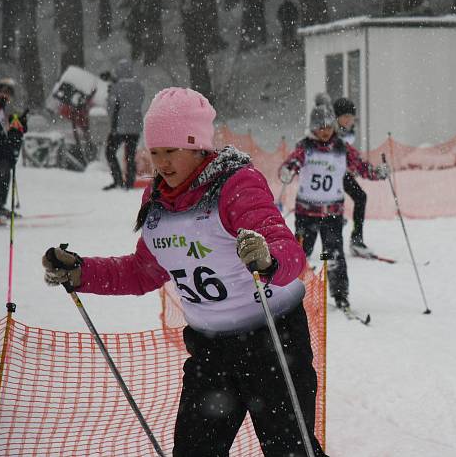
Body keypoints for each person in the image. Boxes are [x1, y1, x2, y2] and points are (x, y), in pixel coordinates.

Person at [41, 87, 328, 457]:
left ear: (198, 147)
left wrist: (267, 258)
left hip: (273, 342)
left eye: (171, 151)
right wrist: (81, 273)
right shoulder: (157, 199)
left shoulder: (235, 184)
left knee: (290, 450)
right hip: (211, 350)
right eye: (155, 152)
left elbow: (289, 251)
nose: (161, 163)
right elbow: (143, 271)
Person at [279, 104, 388, 309]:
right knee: (300, 254)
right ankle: (291, 295)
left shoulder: (342, 148)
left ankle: (340, 294)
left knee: (333, 254)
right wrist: (287, 170)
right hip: (306, 212)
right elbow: (292, 162)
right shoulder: (305, 146)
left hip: (332, 213)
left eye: (329, 126)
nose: (325, 131)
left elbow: (361, 167)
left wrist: (377, 172)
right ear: (313, 128)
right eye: (320, 127)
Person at [331, 97, 374, 257]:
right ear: (337, 117)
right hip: (328, 176)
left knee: (360, 197)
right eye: (345, 116)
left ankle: (356, 239)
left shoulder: (348, 132)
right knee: (332, 209)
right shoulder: (332, 133)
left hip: (341, 174)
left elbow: (350, 156)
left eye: (352, 116)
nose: (349, 120)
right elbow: (350, 157)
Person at [104, 58, 144, 190]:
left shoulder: (116, 87)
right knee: (130, 155)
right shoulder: (139, 86)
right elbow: (139, 102)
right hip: (135, 127)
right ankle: (129, 183)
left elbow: (111, 107)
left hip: (120, 127)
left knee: (110, 152)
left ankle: (118, 181)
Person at [0, 78, 27, 221]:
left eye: (8, 93)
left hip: (4, 151)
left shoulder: (11, 109)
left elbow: (17, 130)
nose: (5, 95)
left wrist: (21, 125)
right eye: (3, 91)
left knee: (5, 174)